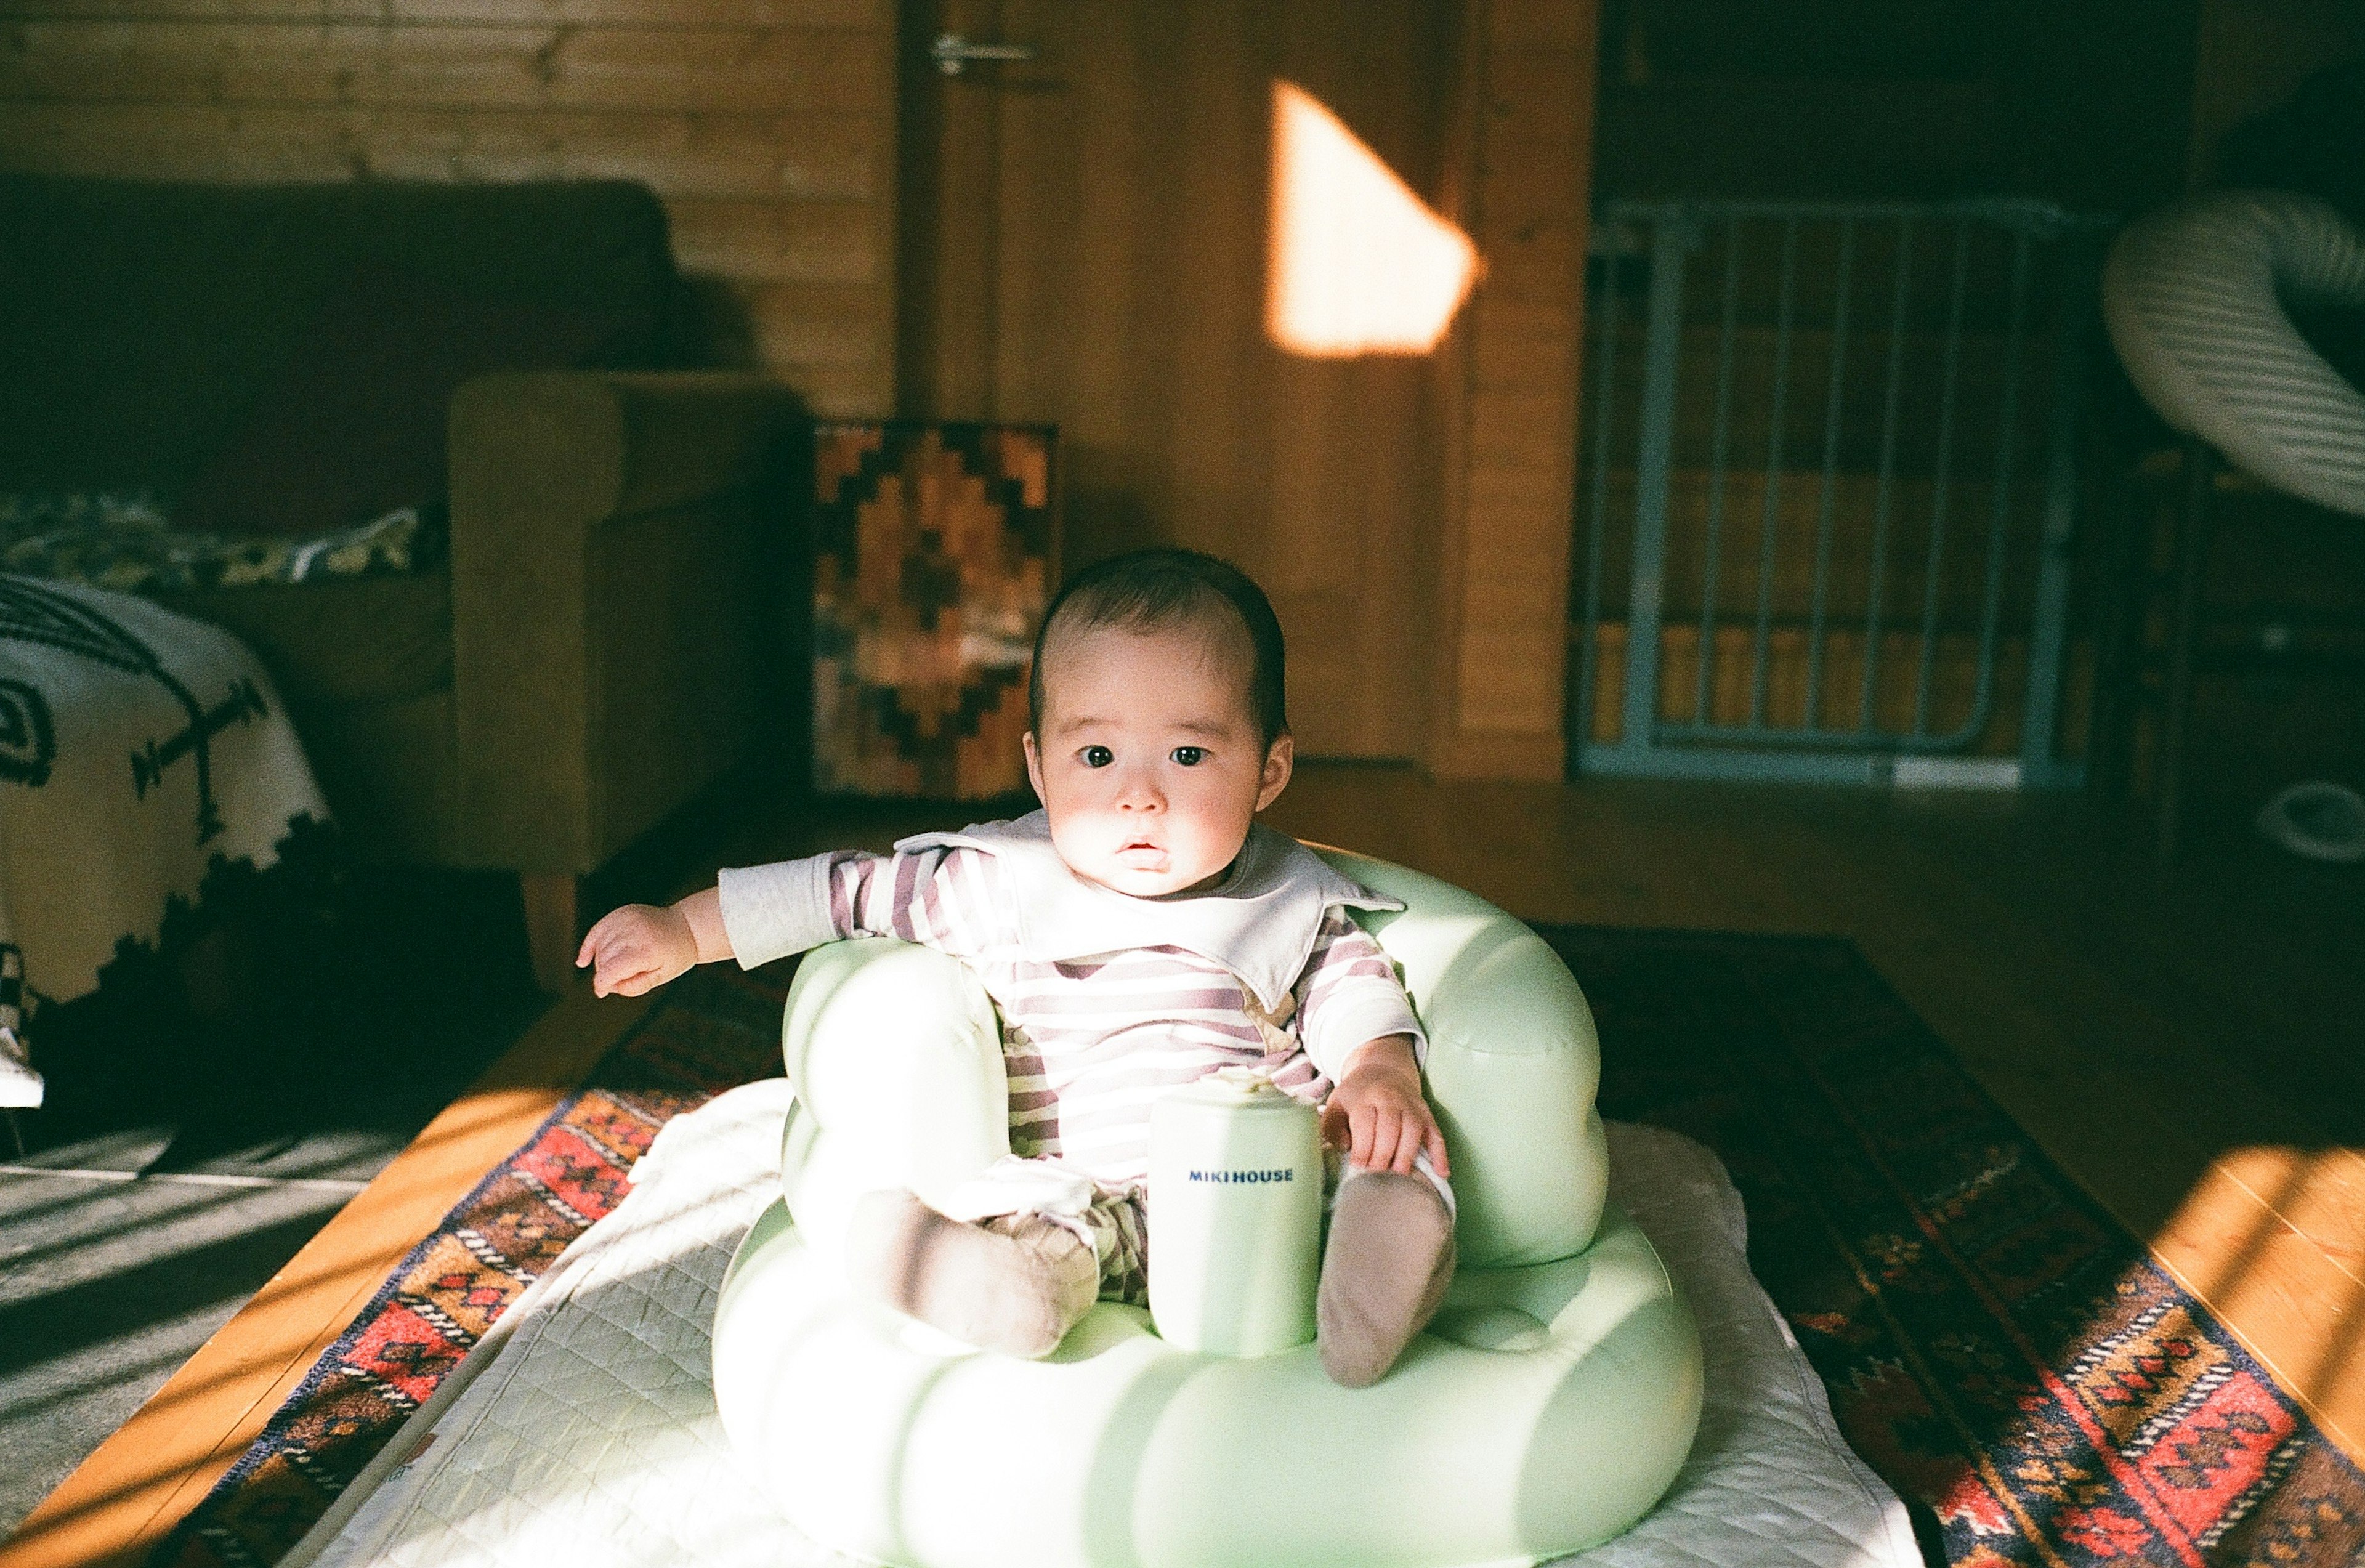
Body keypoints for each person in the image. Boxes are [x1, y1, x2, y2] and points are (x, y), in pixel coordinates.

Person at [578, 548, 1455, 1387]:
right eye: (1097, 756)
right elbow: (839, 890)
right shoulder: (997, 884)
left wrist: (1381, 1075)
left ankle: (1377, 1274)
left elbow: (1356, 989)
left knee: (1386, 1160)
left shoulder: (1285, 893)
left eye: (1188, 755)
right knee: (1047, 1227)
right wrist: (686, 930)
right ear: (1038, 766)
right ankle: (973, 1276)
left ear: (1269, 770)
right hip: (1097, 1192)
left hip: (1264, 1183)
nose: (1138, 794)